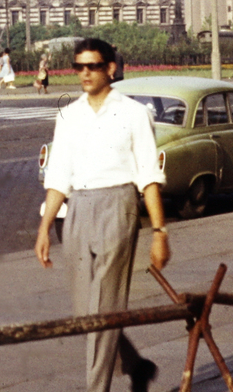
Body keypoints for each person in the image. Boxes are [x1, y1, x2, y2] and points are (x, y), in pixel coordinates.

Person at [36, 39, 168, 392]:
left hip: (118, 208)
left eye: (92, 66)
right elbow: (59, 175)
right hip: (77, 209)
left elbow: (148, 176)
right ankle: (136, 366)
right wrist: (45, 226)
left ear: (110, 68)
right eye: (78, 67)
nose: (84, 74)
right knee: (86, 316)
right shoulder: (69, 114)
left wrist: (159, 232)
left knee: (104, 311)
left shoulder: (133, 113)